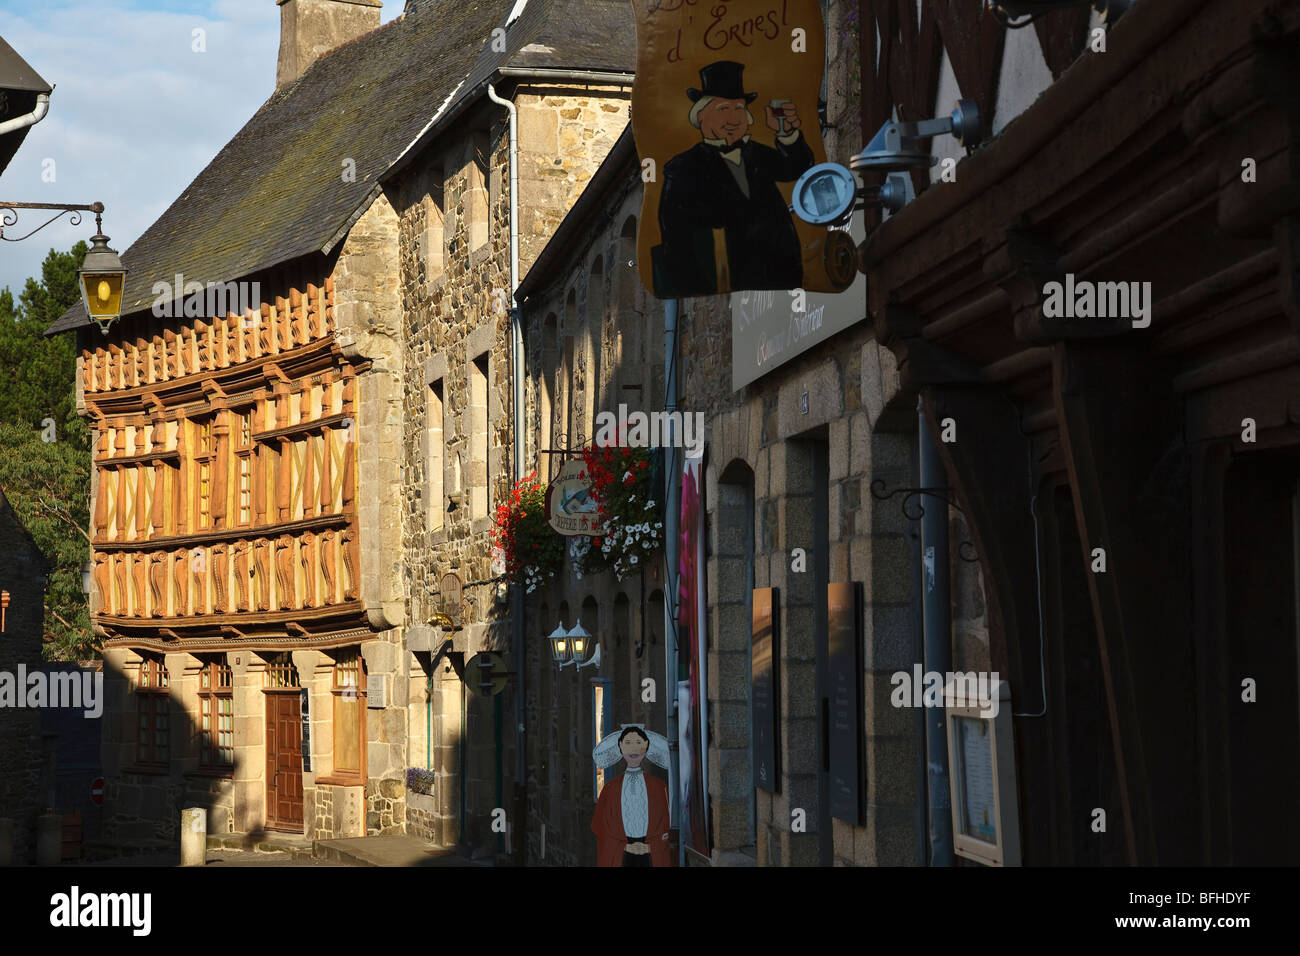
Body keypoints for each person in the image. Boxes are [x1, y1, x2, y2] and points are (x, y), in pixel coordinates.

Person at [653, 60, 815, 297]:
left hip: (781, 275)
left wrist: (787, 133)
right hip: (728, 280)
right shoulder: (683, 168)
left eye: (739, 109)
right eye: (723, 109)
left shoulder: (756, 153)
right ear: (701, 116)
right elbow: (676, 237)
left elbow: (795, 168)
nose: (733, 118)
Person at [590, 725, 671, 866]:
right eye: (628, 743)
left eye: (638, 743)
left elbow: (668, 823)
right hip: (621, 855)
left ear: (646, 746)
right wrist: (624, 846)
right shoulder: (610, 789)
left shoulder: (660, 787)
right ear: (620, 746)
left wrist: (651, 846)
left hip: (651, 854)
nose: (633, 749)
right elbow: (600, 825)